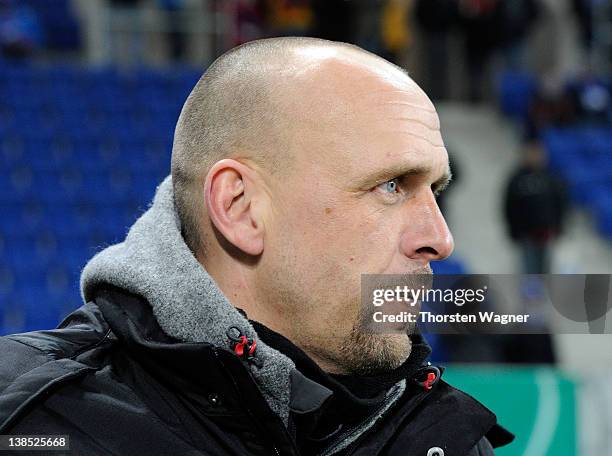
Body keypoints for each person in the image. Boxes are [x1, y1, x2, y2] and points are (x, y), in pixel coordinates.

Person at [0, 38, 513, 455]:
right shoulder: (25, 417)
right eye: (392, 185)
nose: (440, 240)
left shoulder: (445, 438)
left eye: (435, 190)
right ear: (241, 208)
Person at [504, 141, 568, 274]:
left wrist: (559, 226)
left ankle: (544, 291)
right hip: (526, 234)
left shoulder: (551, 178)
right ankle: (531, 292)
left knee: (547, 267)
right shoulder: (517, 179)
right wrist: (513, 230)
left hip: (547, 232)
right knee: (529, 268)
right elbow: (509, 205)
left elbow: (561, 203)